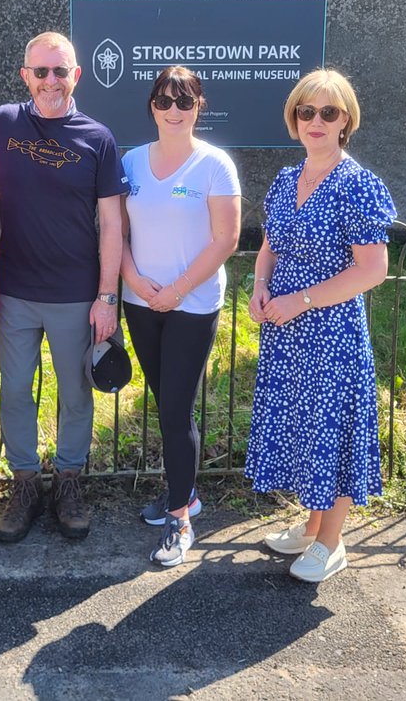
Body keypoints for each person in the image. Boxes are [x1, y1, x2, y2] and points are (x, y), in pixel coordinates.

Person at [0, 32, 126, 543]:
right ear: (25, 76)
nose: (50, 81)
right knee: (14, 390)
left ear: (77, 75)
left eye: (60, 71)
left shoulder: (97, 138)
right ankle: (26, 483)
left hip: (77, 294)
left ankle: (69, 481)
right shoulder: (3, 123)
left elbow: (113, 224)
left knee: (76, 392)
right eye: (41, 72)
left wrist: (107, 297)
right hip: (14, 288)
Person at [246, 68, 396, 583]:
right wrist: (260, 286)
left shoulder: (357, 184)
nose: (315, 120)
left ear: (345, 120)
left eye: (327, 112)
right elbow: (269, 248)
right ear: (294, 118)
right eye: (306, 111)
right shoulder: (287, 181)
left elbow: (373, 269)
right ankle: (310, 528)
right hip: (286, 329)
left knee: (332, 432)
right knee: (307, 430)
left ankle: (332, 543)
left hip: (330, 333)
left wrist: (301, 300)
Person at [120, 66, 241, 566]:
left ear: (199, 107)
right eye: (165, 101)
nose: (174, 110)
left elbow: (226, 239)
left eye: (184, 102)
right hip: (141, 303)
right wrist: (133, 280)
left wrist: (176, 290)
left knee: (175, 410)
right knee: (164, 402)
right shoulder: (130, 161)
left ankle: (180, 519)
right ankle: (184, 493)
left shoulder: (215, 165)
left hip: (191, 306)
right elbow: (116, 231)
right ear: (152, 106)